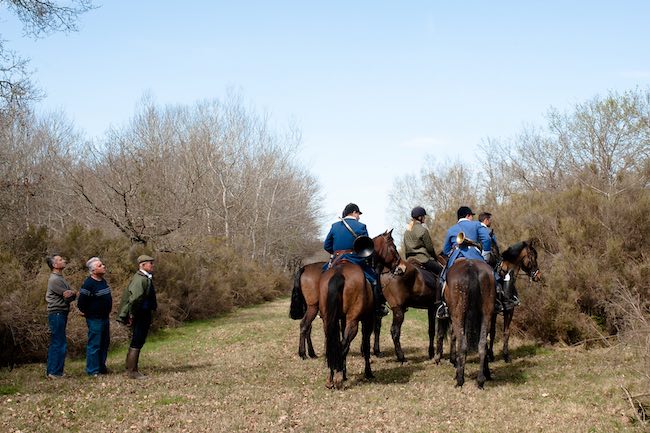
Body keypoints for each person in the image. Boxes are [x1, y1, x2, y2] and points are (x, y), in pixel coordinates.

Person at [323, 203, 388, 317]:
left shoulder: (334, 226)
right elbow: (367, 248)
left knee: (323, 275)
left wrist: (337, 253)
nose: (359, 217)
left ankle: (321, 306)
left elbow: (327, 245)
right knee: (374, 280)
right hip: (354, 259)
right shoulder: (361, 226)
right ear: (354, 212)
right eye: (358, 214)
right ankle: (378, 308)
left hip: (336, 259)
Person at [437, 206, 492, 318]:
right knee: (492, 275)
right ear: (468, 216)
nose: (472, 218)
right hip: (475, 256)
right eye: (472, 216)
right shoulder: (477, 224)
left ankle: (443, 305)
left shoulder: (451, 229)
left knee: (443, 278)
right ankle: (496, 302)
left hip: (456, 256)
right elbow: (487, 239)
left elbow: (446, 250)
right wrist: (485, 255)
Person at [117, 255, 158, 379]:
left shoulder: (145, 277)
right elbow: (134, 299)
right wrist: (131, 314)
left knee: (138, 340)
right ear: (142, 265)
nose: (152, 265)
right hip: (140, 313)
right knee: (137, 340)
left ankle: (131, 368)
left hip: (143, 312)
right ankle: (132, 371)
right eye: (150, 263)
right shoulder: (140, 279)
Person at [77, 257, 113, 377]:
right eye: (99, 266)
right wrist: (87, 312)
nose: (103, 266)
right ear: (93, 271)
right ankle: (92, 370)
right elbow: (81, 302)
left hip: (105, 317)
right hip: (94, 319)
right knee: (94, 344)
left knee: (104, 343)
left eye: (102, 264)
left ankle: (101, 367)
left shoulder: (103, 281)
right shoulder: (88, 284)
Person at [479, 211, 520, 310]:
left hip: (476, 258)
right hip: (489, 261)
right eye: (490, 220)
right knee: (507, 275)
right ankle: (506, 300)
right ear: (486, 220)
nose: (491, 222)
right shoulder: (488, 232)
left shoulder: (476, 230)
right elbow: (494, 250)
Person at [45, 254, 76, 379]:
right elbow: (68, 295)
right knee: (59, 342)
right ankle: (55, 372)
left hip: (60, 312)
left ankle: (53, 371)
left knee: (57, 342)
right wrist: (73, 293)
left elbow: (70, 294)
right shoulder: (54, 279)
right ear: (54, 265)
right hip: (57, 313)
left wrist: (72, 293)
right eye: (60, 260)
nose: (64, 260)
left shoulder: (60, 278)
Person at [403, 206, 442, 275]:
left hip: (410, 260)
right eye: (424, 216)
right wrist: (435, 258)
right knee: (442, 272)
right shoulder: (423, 230)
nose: (425, 218)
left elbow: (406, 247)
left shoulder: (406, 231)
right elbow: (430, 248)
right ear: (420, 217)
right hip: (423, 259)